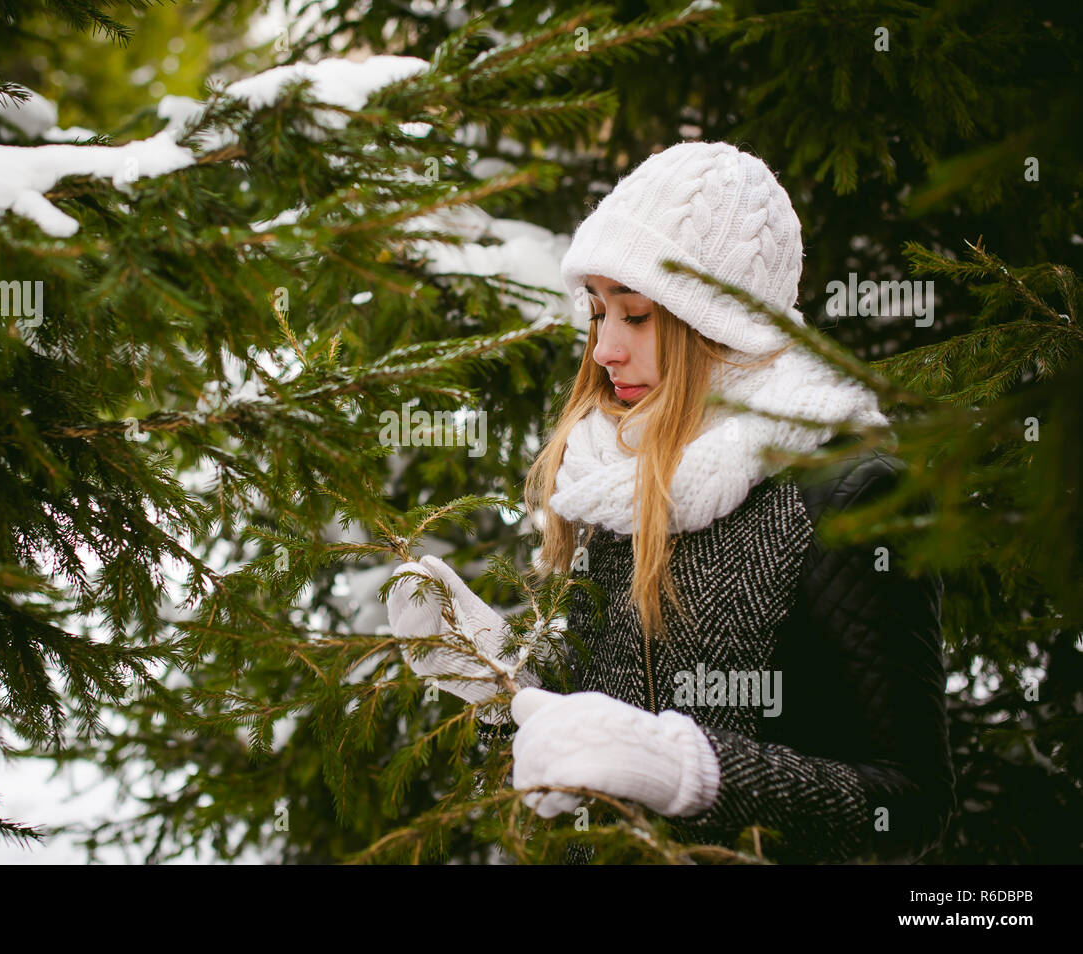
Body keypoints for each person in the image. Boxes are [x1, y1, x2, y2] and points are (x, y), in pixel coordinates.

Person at [384, 140, 956, 865]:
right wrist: (495, 672)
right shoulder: (621, 470)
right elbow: (599, 706)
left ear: (719, 323)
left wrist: (691, 772)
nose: (603, 351)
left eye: (638, 316)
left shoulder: (843, 489)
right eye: (598, 313)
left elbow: (910, 803)